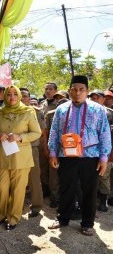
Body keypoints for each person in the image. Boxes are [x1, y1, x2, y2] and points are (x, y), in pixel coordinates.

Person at [48, 76, 111, 236]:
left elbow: (104, 133)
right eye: (74, 89)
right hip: (67, 155)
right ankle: (63, 218)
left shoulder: (98, 109)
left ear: (87, 91)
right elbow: (54, 132)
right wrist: (53, 153)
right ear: (69, 91)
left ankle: (88, 223)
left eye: (81, 89)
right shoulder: (61, 110)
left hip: (90, 156)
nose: (77, 92)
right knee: (66, 187)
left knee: (89, 190)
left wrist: (104, 158)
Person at [0, 85, 41, 230]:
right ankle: (1, 214)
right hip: (2, 156)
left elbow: (37, 133)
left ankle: (13, 217)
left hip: (21, 157)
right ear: (5, 96)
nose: (11, 97)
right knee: (1, 188)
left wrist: (21, 137)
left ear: (19, 96)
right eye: (9, 94)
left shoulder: (28, 111)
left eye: (14, 94)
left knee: (18, 189)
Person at [20, 88, 45, 218]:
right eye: (20, 96)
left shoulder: (35, 112)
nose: (22, 99)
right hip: (16, 150)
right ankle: (16, 204)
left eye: (24, 96)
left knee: (34, 178)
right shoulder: (12, 112)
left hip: (30, 149)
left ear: (29, 99)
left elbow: (41, 132)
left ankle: (36, 206)